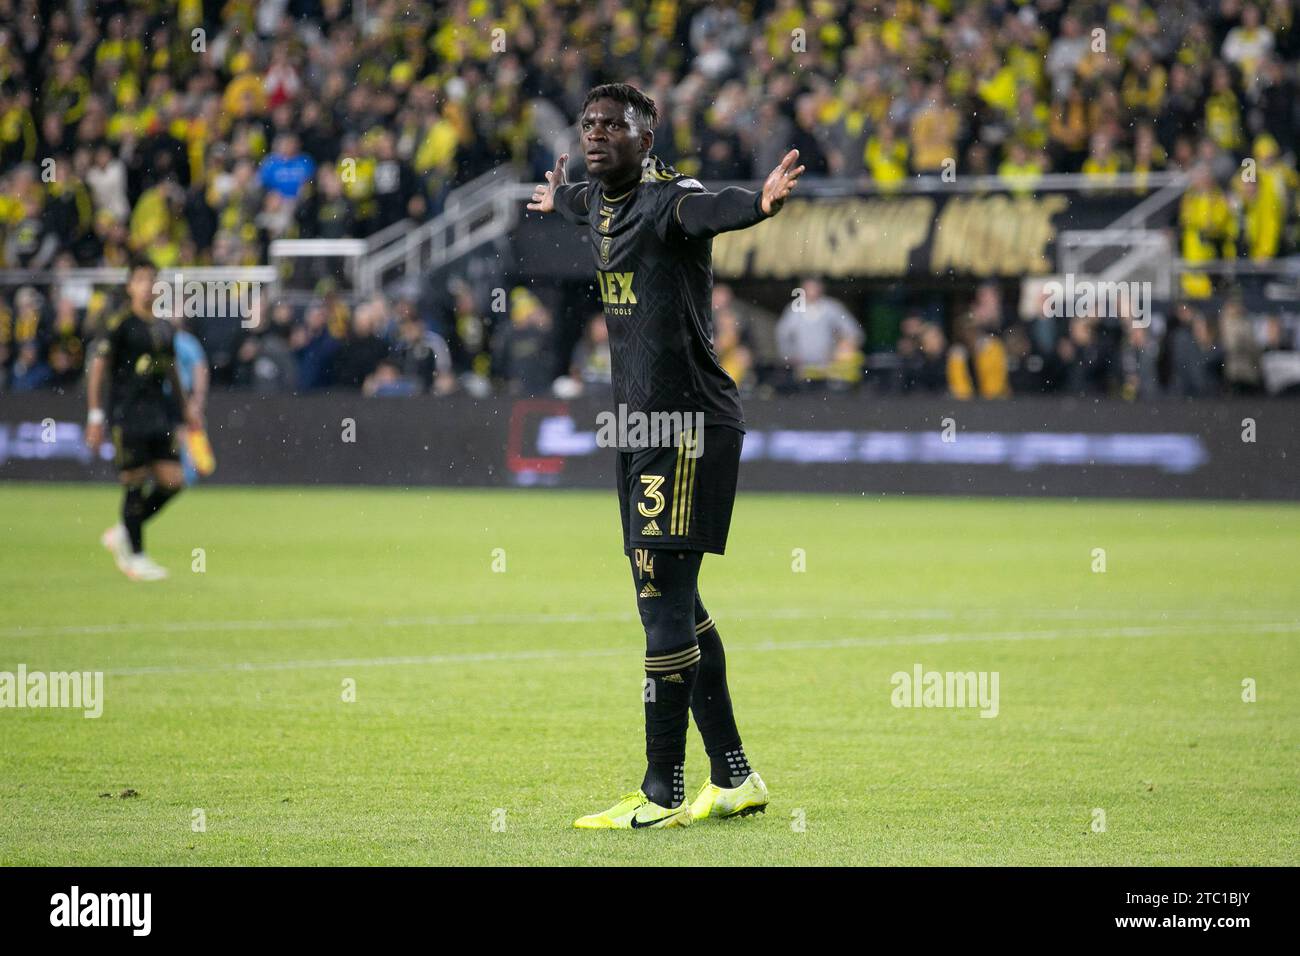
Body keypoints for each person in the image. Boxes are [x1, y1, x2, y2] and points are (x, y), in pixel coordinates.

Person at [528, 82, 803, 829]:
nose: (595, 135)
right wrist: (558, 204)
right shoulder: (599, 199)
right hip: (641, 431)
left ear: (645, 140)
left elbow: (707, 209)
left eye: (613, 126)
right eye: (588, 124)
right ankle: (736, 777)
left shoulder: (666, 200)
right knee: (677, 605)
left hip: (685, 428)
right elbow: (585, 203)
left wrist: (760, 203)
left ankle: (663, 790)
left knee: (660, 611)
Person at [85, 258, 198, 580]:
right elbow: (99, 368)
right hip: (127, 415)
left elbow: (173, 371)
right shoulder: (119, 323)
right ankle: (135, 556)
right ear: (130, 286)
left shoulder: (164, 327)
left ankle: (124, 530)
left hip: (158, 415)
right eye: (141, 279)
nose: (148, 285)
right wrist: (95, 416)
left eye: (153, 279)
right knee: (134, 484)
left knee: (173, 482)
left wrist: (186, 408)